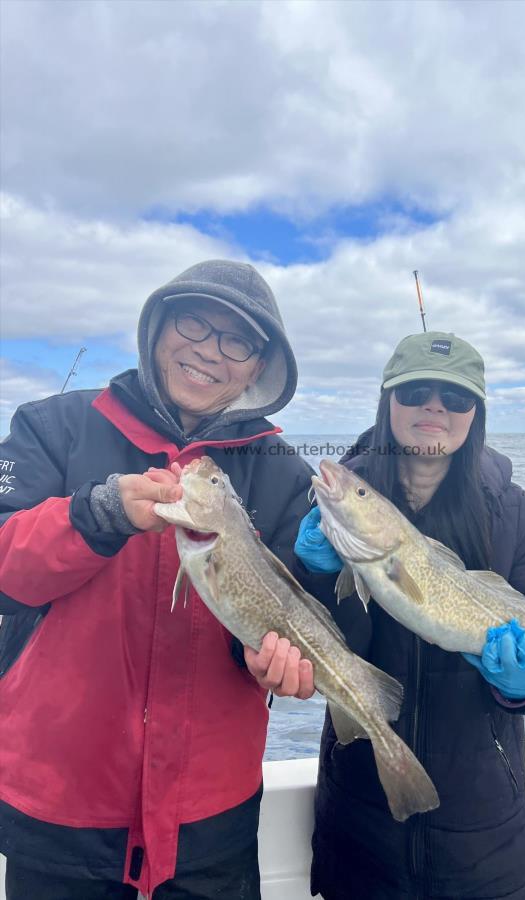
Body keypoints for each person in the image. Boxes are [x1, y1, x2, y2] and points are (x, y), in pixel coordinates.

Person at [0, 260, 316, 899]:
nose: (209, 352)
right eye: (194, 324)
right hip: (60, 802)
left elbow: (285, 611)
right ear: (158, 329)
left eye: (237, 342)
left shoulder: (283, 473)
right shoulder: (51, 425)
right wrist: (97, 513)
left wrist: (270, 661)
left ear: (258, 367)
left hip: (212, 817)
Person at [292, 331, 525, 900]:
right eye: (416, 391)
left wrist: (524, 686)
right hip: (362, 821)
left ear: (477, 414)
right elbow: (314, 647)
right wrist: (320, 574)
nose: (435, 408)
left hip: (484, 834)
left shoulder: (512, 511)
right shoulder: (336, 501)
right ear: (387, 401)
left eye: (456, 398)